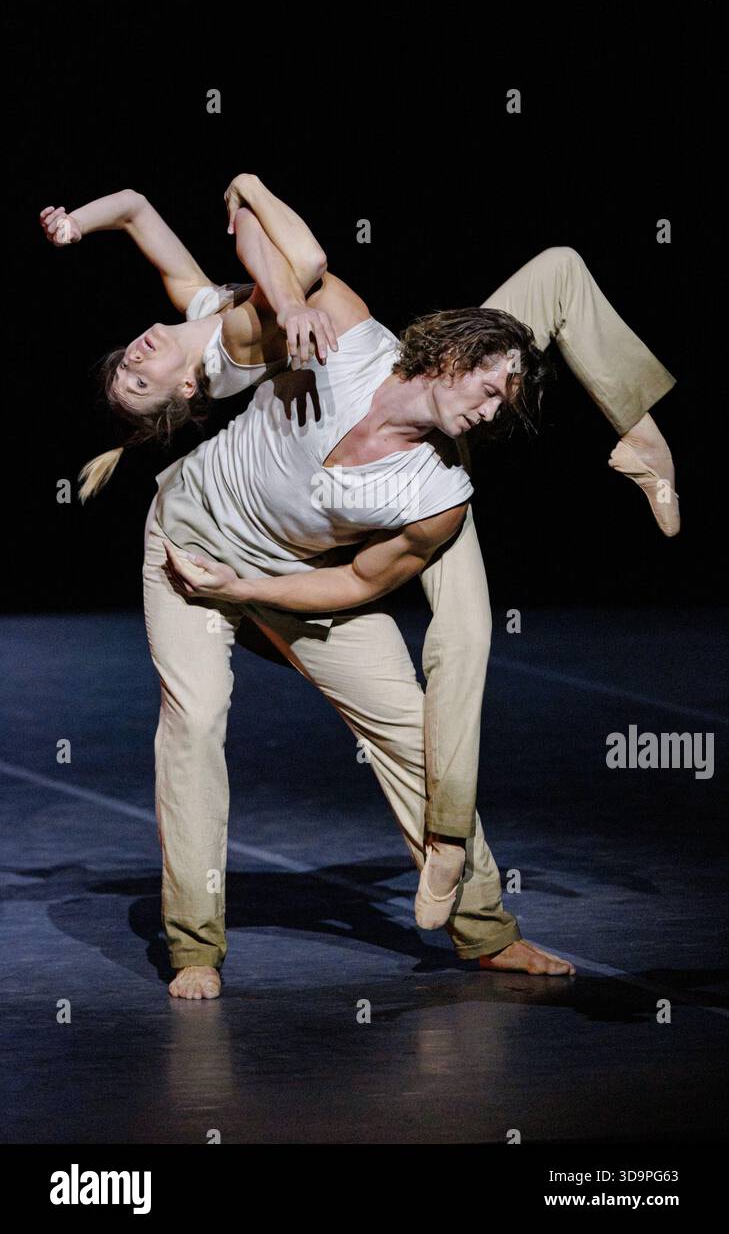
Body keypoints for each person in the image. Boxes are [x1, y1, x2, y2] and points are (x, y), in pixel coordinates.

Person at [42, 176, 679, 1000]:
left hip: (295, 576)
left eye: (498, 400)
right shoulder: (320, 343)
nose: (490, 410)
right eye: (484, 390)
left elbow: (351, 581)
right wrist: (276, 283)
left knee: (415, 730)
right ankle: (195, 943)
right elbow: (278, 258)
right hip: (188, 548)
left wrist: (251, 582)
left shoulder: (434, 495)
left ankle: (484, 929)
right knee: (194, 720)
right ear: (450, 362)